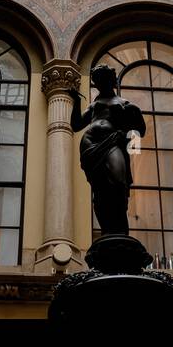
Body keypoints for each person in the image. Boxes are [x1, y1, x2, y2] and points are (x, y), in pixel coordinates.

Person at [69, 63, 146, 235]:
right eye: (97, 81)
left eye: (103, 79)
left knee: (119, 182)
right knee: (100, 189)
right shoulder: (94, 104)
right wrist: (77, 101)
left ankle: (119, 227)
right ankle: (107, 229)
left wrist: (128, 124)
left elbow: (139, 132)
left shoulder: (125, 104)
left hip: (112, 143)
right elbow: (76, 125)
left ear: (112, 80)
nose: (99, 84)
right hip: (91, 144)